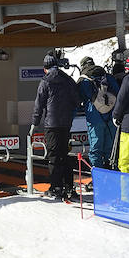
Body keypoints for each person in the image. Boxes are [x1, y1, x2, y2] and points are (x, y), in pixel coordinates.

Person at [33, 51, 82, 201]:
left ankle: (56, 187)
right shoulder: (67, 79)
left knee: (54, 156)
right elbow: (76, 100)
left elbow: (39, 103)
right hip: (66, 123)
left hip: (52, 124)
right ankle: (69, 187)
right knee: (65, 155)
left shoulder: (45, 81)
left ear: (45, 68)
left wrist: (35, 121)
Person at [78, 56, 117, 172]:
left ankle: (99, 177)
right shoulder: (108, 77)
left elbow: (77, 100)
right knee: (110, 149)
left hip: (95, 119)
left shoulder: (83, 80)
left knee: (96, 150)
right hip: (111, 118)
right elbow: (118, 93)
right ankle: (112, 174)